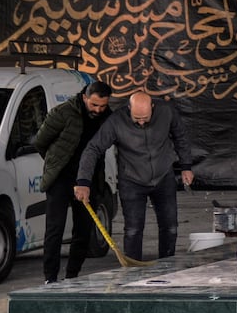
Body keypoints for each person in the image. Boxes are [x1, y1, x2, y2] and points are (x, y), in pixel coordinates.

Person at [74, 90, 195, 261]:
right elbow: (93, 149)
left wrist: (186, 166)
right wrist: (83, 181)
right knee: (133, 230)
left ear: (152, 107)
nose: (141, 122)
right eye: (137, 118)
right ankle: (133, 270)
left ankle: (167, 265)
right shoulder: (116, 121)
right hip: (132, 181)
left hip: (163, 177)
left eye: (145, 117)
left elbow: (180, 136)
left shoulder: (166, 112)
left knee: (170, 227)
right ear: (128, 108)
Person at [34, 80, 112, 283]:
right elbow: (40, 142)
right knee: (55, 229)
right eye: (94, 105)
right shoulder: (63, 113)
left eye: (102, 106)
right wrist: (55, 164)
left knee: (84, 230)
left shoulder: (108, 117)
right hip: (61, 179)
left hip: (90, 180)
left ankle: (72, 276)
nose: (98, 110)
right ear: (85, 97)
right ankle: (50, 278)